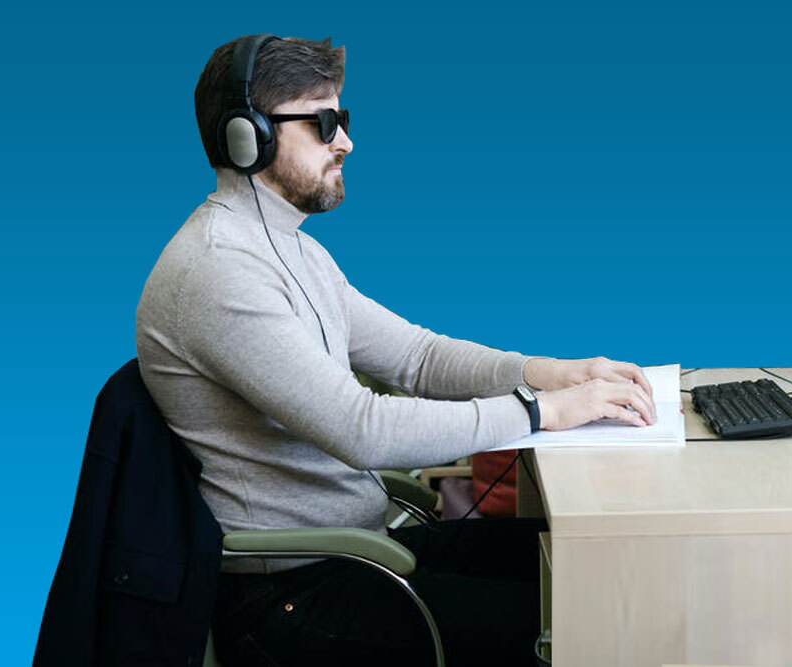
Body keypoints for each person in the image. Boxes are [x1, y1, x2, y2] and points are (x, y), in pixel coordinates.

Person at [136, 33, 656, 667]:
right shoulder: (219, 272)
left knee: (602, 568)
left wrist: (553, 373)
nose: (346, 142)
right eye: (325, 122)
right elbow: (363, 430)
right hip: (293, 596)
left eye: (343, 119)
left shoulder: (290, 247)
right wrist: (543, 411)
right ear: (249, 137)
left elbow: (417, 357)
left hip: (357, 549)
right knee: (594, 618)